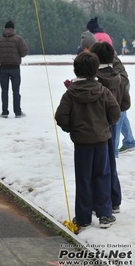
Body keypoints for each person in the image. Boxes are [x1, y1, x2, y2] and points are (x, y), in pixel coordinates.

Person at [55, 52, 121, 232]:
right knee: (102, 176)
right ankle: (105, 214)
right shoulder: (104, 91)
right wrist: (104, 126)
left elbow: (61, 117)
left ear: (76, 70)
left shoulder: (70, 94)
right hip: (101, 141)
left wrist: (72, 128)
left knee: (83, 178)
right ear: (95, 71)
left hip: (82, 143)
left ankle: (83, 217)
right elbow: (115, 113)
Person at [90, 42, 130, 215]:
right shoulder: (118, 77)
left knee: (97, 166)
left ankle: (100, 202)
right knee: (110, 163)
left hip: (96, 126)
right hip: (112, 125)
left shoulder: (94, 80)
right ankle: (115, 201)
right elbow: (125, 104)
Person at [81, 30, 135, 157]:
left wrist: (111, 83)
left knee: (117, 118)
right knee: (120, 116)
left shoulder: (106, 56)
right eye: (84, 48)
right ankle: (129, 141)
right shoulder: (91, 57)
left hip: (120, 87)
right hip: (111, 89)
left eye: (87, 48)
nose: (85, 51)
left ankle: (113, 152)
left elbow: (118, 76)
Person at [0, 20, 28, 118]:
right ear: (13, 29)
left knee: (4, 90)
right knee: (16, 91)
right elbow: (24, 53)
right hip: (15, 68)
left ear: (5, 28)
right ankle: (18, 112)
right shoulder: (19, 39)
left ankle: (4, 112)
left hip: (3, 68)